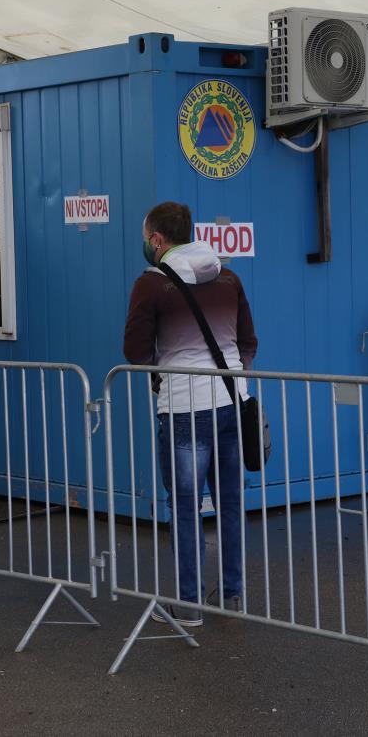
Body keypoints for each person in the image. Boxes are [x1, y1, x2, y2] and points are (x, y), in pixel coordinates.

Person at [123, 201, 258, 628]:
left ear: (157, 240)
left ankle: (189, 605)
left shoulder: (151, 284)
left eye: (146, 239)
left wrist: (162, 372)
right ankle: (234, 596)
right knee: (230, 502)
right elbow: (248, 341)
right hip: (232, 402)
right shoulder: (229, 277)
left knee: (185, 506)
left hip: (184, 409)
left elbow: (135, 351)